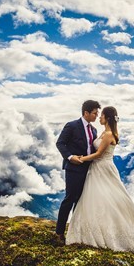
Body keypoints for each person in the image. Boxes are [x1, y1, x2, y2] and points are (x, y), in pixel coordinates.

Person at [65, 106, 134, 253]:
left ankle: (110, 232)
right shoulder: (103, 132)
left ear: (107, 118)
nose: (99, 118)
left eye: (101, 116)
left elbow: (98, 154)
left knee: (108, 198)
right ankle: (98, 227)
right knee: (98, 199)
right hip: (98, 168)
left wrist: (80, 159)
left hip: (103, 167)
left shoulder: (108, 134)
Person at [55, 100, 101, 242]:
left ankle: (75, 232)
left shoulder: (94, 130)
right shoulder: (72, 126)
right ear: (86, 113)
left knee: (81, 202)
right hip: (74, 168)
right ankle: (59, 233)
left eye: (98, 113)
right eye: (94, 113)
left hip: (88, 170)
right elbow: (60, 143)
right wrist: (70, 157)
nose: (96, 116)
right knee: (69, 199)